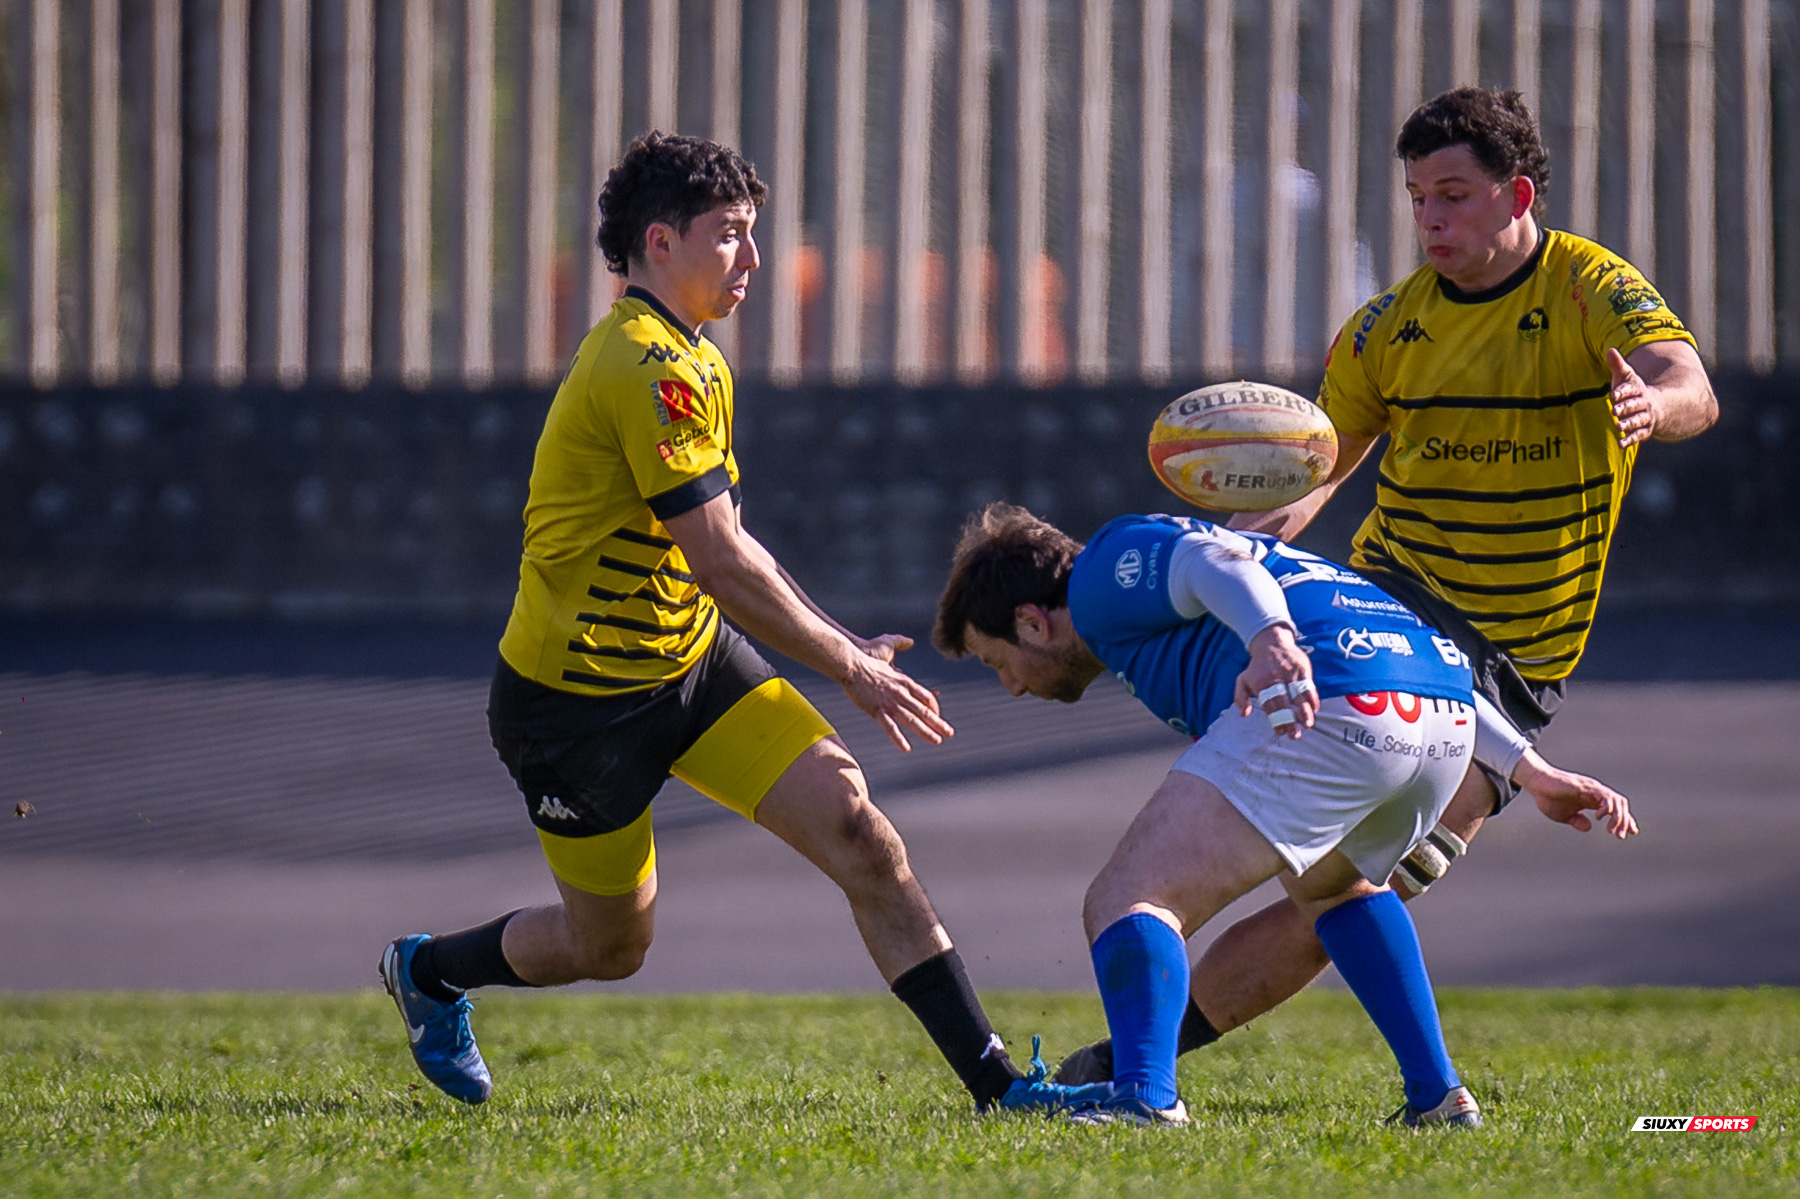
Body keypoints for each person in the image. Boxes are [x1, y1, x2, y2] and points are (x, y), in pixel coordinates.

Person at [377, 132, 1086, 1115]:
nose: (754, 258)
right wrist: (848, 660)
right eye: (732, 236)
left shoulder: (692, 354)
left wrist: (831, 645)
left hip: (692, 664)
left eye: (754, 234)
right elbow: (720, 559)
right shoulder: (647, 367)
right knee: (609, 946)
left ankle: (999, 1087)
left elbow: (722, 560)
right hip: (576, 706)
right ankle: (430, 970)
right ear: (659, 242)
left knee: (861, 833)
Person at [1055, 85, 1686, 1089]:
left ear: (1517, 193)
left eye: (1454, 196)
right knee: (1336, 884)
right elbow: (1313, 476)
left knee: (1351, 895)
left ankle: (1142, 1066)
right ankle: (1131, 1068)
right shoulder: (1387, 327)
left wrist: (1653, 400)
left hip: (1520, 657)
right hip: (1393, 613)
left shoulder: (1585, 288)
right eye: (1418, 200)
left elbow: (1687, 379)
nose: (1432, 220)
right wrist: (1241, 547)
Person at [934, 503, 1635, 1126]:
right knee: (1336, 888)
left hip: (1337, 700)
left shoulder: (1099, 574)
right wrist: (1530, 769)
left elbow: (1207, 560)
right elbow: (1399, 653)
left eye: (999, 662)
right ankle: (1439, 1095)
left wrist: (1269, 636)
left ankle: (1145, 1096)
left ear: (1031, 620)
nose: (1012, 688)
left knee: (1129, 897)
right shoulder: (1260, 569)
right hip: (1442, 715)